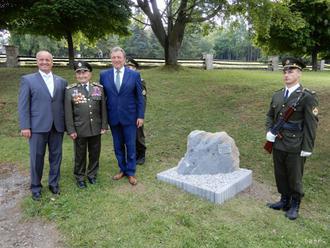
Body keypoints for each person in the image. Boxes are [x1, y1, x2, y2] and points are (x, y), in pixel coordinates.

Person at [265, 57, 319, 220]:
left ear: (299, 74)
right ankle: (284, 200)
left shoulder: (307, 97)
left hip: (296, 144)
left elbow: (311, 124)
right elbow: (270, 116)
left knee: (294, 176)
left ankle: (295, 204)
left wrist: (307, 147)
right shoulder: (278, 95)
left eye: (291, 71)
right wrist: (269, 131)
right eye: (285, 71)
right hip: (278, 141)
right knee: (280, 173)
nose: (287, 74)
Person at [18, 50, 68, 201]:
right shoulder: (28, 80)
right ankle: (35, 187)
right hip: (37, 126)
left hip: (57, 126)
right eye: (41, 60)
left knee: (56, 156)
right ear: (37, 61)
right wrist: (25, 126)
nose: (45, 62)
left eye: (48, 60)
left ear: (52, 62)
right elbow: (23, 105)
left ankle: (54, 184)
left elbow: (63, 105)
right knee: (36, 158)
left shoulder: (62, 81)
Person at [100, 47, 144, 185]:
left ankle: (131, 172)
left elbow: (139, 98)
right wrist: (103, 119)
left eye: (119, 57)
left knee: (130, 145)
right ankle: (122, 169)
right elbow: (101, 98)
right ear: (111, 59)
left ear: (124, 59)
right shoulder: (104, 75)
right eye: (114, 57)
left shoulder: (134, 75)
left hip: (130, 117)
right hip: (113, 117)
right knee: (118, 145)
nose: (116, 60)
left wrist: (140, 116)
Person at [65, 61, 108, 189]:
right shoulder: (70, 90)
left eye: (85, 72)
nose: (82, 75)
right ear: (76, 75)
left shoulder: (98, 88)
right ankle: (79, 177)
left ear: (90, 74)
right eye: (79, 72)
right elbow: (68, 112)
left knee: (95, 152)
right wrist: (71, 129)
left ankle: (92, 175)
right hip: (79, 129)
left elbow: (103, 108)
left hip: (96, 127)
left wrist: (104, 125)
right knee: (80, 154)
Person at [126, 57, 147, 165]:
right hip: (127, 113)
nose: (129, 68)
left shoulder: (140, 81)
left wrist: (141, 115)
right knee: (130, 136)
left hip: (136, 114)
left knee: (139, 136)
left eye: (131, 67)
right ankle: (133, 155)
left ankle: (142, 155)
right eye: (127, 66)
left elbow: (142, 100)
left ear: (135, 68)